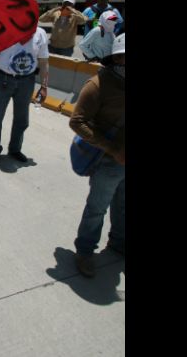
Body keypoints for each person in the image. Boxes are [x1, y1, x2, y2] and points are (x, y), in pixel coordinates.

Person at [70, 34, 125, 277]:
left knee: (122, 206)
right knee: (97, 208)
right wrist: (112, 149)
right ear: (117, 58)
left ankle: (118, 243)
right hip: (108, 160)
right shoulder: (97, 84)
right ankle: (85, 251)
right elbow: (77, 122)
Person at [0, 27, 50, 165]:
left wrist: (44, 86)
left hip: (27, 81)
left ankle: (15, 149)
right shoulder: (5, 29)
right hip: (3, 80)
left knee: (22, 119)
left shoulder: (40, 34)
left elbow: (44, 62)